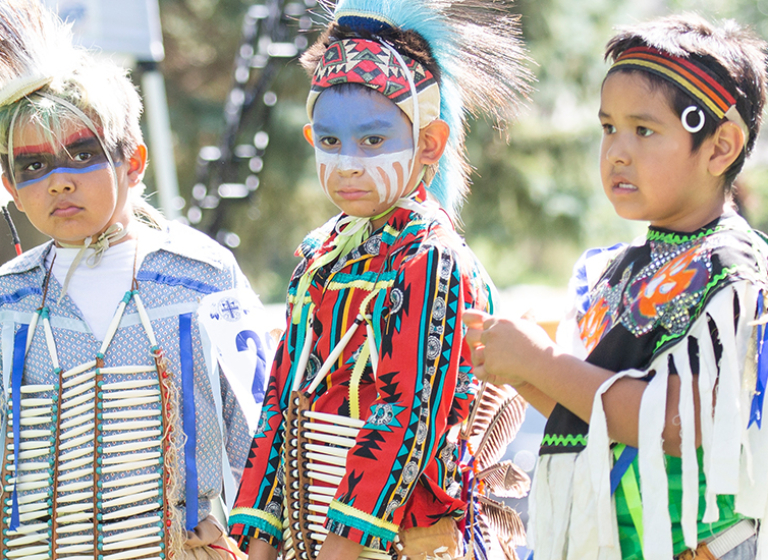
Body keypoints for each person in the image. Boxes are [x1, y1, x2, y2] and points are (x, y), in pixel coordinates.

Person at [228, 1, 532, 559]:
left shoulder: (433, 260)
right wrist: (256, 543)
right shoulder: (320, 255)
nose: (347, 164)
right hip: (310, 535)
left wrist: (339, 551)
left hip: (402, 541)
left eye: (372, 142)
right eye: (330, 141)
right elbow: (280, 403)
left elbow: (406, 419)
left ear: (430, 145)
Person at [464, 13, 768, 560]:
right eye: (608, 128)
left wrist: (542, 362)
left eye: (644, 130)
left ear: (720, 147)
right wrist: (514, 364)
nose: (617, 152)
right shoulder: (611, 271)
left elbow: (677, 422)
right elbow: (590, 409)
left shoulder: (734, 267)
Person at [0, 2, 270, 558]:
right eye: (33, 166)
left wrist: (250, 538)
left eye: (82, 154)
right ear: (9, 185)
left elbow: (260, 427)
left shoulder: (203, 275)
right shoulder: (9, 299)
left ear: (134, 162)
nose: (58, 182)